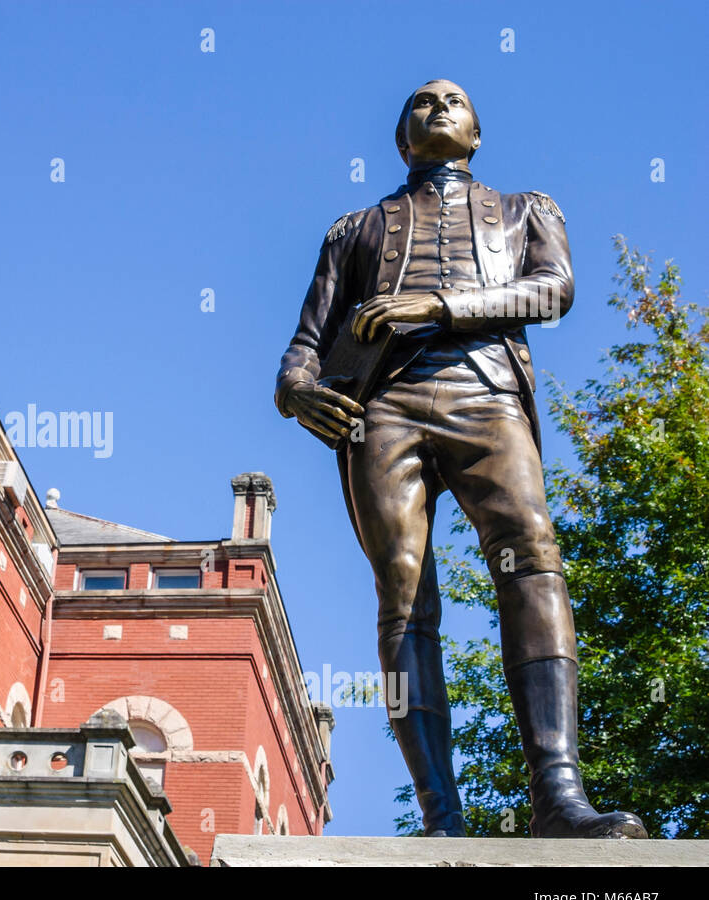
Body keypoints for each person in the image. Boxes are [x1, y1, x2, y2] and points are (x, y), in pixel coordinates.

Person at [275, 79, 647, 838]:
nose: (438, 105)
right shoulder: (353, 229)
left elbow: (553, 291)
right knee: (403, 592)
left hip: (489, 396)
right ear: (402, 140)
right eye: (421, 101)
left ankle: (560, 798)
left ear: (476, 135)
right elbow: (304, 349)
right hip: (381, 409)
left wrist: (439, 307)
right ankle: (441, 817)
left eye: (455, 99)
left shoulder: (525, 211)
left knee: (532, 557)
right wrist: (297, 392)